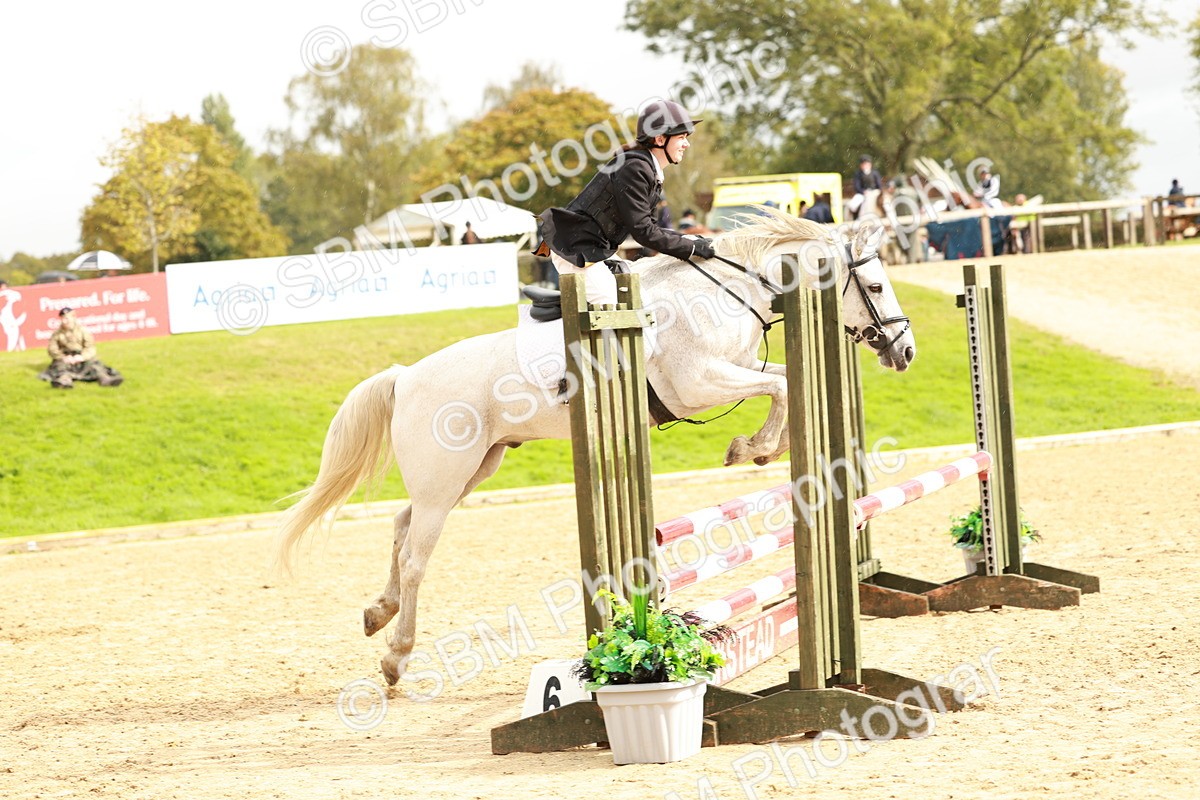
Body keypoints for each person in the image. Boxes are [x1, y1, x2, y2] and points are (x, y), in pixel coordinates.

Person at [533, 100, 715, 306]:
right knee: (617, 308)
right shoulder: (635, 168)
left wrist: (693, 240)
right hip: (576, 250)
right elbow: (643, 232)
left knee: (643, 300)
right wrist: (691, 248)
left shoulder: (649, 170)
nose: (686, 144)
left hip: (596, 251)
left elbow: (653, 228)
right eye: (681, 137)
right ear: (660, 138)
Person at [38, 308, 123, 389]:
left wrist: (82, 357)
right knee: (60, 367)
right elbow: (52, 349)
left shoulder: (83, 331)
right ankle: (64, 382)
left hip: (81, 356)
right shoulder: (56, 334)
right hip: (66, 357)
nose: (64, 321)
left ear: (73, 318)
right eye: (62, 318)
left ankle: (105, 379)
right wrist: (63, 357)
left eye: (67, 318)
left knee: (94, 365)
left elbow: (90, 347)